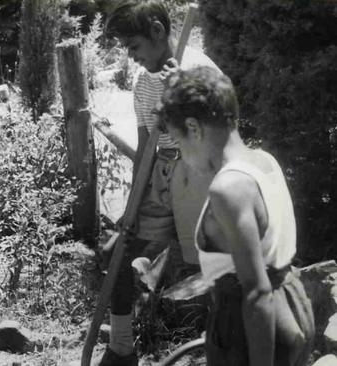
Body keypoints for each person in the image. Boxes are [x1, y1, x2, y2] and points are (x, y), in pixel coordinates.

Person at [157, 65, 315, 366]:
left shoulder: (228, 189)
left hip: (251, 332)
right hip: (293, 310)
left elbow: (257, 292)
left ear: (194, 128)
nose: (184, 157)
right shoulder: (264, 162)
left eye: (179, 142)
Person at [93, 1, 222, 364]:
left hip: (199, 175)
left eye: (133, 46)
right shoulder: (141, 84)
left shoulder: (199, 70)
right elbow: (145, 149)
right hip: (161, 174)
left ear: (158, 31)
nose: (130, 57)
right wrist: (130, 212)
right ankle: (121, 348)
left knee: (205, 273)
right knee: (115, 252)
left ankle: (220, 351)